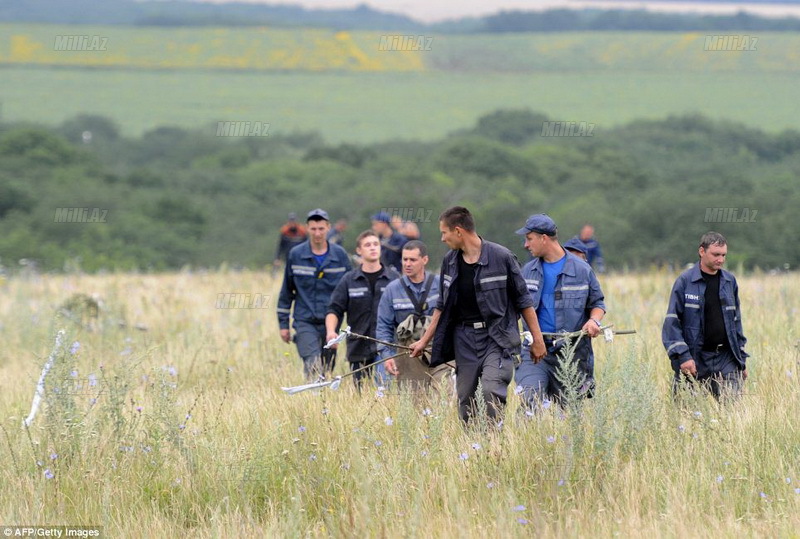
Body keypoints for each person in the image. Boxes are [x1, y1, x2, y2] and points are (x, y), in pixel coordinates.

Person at [409, 206, 546, 425]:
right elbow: (441, 307)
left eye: (444, 232)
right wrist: (424, 341)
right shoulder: (450, 262)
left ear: (458, 231)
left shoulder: (502, 257)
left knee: (492, 390)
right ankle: (473, 448)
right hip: (464, 339)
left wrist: (537, 340)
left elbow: (524, 301)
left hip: (497, 337)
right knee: (466, 401)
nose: (442, 238)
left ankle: (493, 444)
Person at [514, 214, 607, 413]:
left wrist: (594, 321)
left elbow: (597, 303)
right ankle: (527, 442)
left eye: (529, 239)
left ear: (543, 238)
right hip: (535, 352)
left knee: (570, 413)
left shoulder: (582, 270)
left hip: (571, 354)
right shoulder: (527, 271)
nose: (525, 245)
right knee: (530, 400)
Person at [662, 231, 748, 401]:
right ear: (702, 251)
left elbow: (736, 322)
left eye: (723, 255)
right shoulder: (685, 281)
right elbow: (672, 322)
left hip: (726, 357)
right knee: (686, 414)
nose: (721, 260)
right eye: (716, 254)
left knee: (732, 414)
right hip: (695, 358)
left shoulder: (730, 282)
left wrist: (741, 360)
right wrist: (684, 357)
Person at [277, 209, 352, 380]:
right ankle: (313, 396)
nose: (317, 233)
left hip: (332, 321)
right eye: (313, 229)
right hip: (304, 319)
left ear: (328, 228)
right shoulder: (296, 255)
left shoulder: (340, 255)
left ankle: (322, 404)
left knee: (327, 367)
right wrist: (283, 324)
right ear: (307, 228)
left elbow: (350, 289)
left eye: (321, 229)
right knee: (312, 362)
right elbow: (287, 290)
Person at [326, 231, 399, 389]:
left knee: (383, 391)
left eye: (376, 244)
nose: (372, 248)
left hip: (386, 347)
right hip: (358, 346)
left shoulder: (394, 278)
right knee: (361, 394)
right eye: (367, 245)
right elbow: (334, 309)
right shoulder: (349, 280)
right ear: (359, 250)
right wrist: (331, 331)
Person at [377, 240, 452, 391]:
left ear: (424, 260)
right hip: (409, 352)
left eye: (413, 259)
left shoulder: (441, 284)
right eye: (405, 259)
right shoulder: (392, 290)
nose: (407, 264)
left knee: (443, 396)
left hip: (439, 350)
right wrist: (387, 356)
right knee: (414, 402)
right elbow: (383, 326)